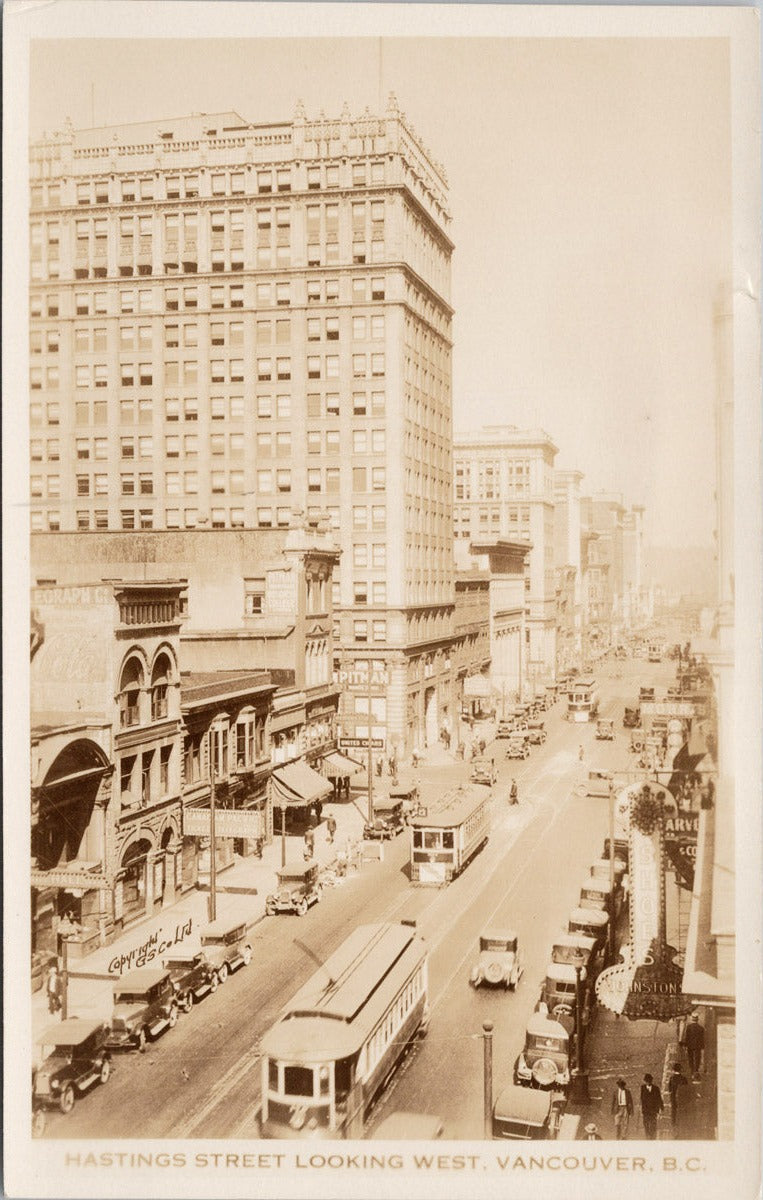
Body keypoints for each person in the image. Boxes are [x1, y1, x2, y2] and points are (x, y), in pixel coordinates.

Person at [640, 1072, 664, 1139]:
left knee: (653, 1125)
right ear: (645, 1081)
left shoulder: (656, 1088)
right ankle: (647, 1137)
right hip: (646, 1110)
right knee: (646, 1125)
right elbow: (642, 1099)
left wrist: (661, 1108)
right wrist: (642, 1109)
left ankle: (653, 1138)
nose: (648, 1082)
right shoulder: (642, 1088)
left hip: (653, 1110)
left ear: (651, 1081)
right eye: (647, 1081)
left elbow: (659, 1098)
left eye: (649, 1081)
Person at [683, 1014, 705, 1080]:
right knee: (697, 1058)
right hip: (698, 1046)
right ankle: (696, 1070)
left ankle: (692, 1070)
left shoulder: (689, 1027)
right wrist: (702, 1046)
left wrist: (685, 1045)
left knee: (690, 1057)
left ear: (692, 1019)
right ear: (697, 1019)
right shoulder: (701, 1028)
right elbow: (702, 1039)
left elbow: (687, 1037)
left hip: (690, 1045)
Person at [667, 1062, 688, 1130]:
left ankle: (673, 1123)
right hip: (682, 1097)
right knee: (682, 1109)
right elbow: (686, 1089)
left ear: (674, 1070)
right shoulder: (684, 1078)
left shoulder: (672, 1078)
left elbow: (669, 1089)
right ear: (680, 1070)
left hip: (673, 1097)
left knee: (674, 1110)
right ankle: (682, 1123)